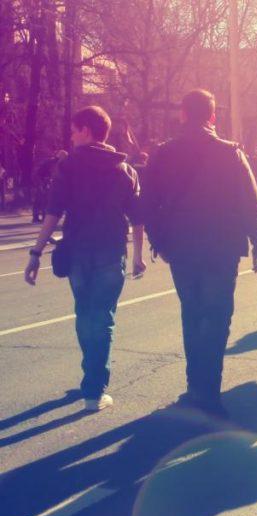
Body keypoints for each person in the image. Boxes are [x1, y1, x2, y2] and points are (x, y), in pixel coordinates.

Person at [142, 89, 257, 418]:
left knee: (192, 313)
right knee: (217, 316)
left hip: (181, 247)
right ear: (213, 117)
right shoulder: (230, 153)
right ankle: (208, 391)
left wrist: (160, 242)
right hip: (222, 247)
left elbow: (147, 204)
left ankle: (194, 386)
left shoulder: (163, 153)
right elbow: (250, 201)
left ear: (182, 114)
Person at [24, 106, 145, 412]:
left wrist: (36, 253)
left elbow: (53, 212)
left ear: (88, 131)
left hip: (78, 251)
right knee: (103, 316)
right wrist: (138, 256)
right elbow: (138, 217)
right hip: (111, 250)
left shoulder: (69, 167)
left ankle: (90, 380)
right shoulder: (124, 170)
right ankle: (94, 387)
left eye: (75, 130)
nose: (72, 136)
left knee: (84, 313)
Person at [33, 150, 67, 223]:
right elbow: (51, 173)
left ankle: (36, 217)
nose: (65, 159)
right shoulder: (53, 162)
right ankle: (42, 217)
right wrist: (42, 182)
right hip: (41, 180)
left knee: (41, 199)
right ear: (61, 156)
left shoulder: (53, 161)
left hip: (42, 180)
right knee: (44, 199)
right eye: (64, 157)